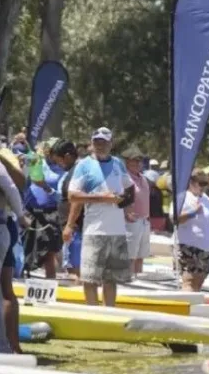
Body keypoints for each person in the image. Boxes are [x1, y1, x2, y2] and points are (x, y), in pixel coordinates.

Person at [66, 127, 133, 307]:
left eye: (103, 142)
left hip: (117, 230)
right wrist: (102, 198)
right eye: (96, 142)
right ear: (92, 143)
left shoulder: (118, 163)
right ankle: (92, 311)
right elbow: (72, 196)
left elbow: (130, 188)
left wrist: (124, 202)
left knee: (111, 279)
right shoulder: (84, 165)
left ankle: (109, 313)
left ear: (111, 144)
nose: (100, 145)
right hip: (94, 230)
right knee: (90, 278)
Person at [22, 141, 65, 278]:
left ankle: (50, 283)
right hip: (30, 212)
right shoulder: (36, 162)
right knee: (26, 249)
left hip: (50, 213)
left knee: (48, 252)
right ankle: (24, 280)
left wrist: (47, 187)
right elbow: (22, 175)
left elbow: (62, 197)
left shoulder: (63, 169)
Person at [174, 169, 209, 291]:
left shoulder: (204, 197)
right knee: (189, 281)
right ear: (191, 182)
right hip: (190, 247)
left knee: (198, 283)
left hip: (207, 248)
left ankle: (192, 308)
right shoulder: (183, 196)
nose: (204, 187)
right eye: (201, 183)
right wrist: (193, 212)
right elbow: (175, 219)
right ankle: (185, 307)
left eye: (206, 183)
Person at [0, 156, 26, 353]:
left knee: (5, 287)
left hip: (5, 223)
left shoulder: (4, 156)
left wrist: (21, 216)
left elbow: (14, 185)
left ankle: (11, 346)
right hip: (5, 224)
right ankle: (10, 346)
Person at [50, 141, 81, 279]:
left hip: (75, 228)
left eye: (59, 162)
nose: (58, 166)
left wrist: (69, 225)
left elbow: (76, 200)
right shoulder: (73, 171)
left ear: (68, 156)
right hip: (73, 228)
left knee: (76, 270)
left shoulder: (77, 172)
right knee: (73, 268)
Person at [121, 147, 151, 274]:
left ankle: (139, 281)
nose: (138, 164)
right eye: (135, 161)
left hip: (144, 220)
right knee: (130, 256)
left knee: (141, 255)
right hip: (131, 221)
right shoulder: (124, 178)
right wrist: (125, 213)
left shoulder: (143, 178)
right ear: (127, 162)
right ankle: (128, 280)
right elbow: (119, 198)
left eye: (140, 161)